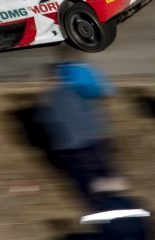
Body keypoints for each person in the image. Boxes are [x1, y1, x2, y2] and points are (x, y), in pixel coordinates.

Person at [37, 54, 116, 205]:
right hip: (90, 141)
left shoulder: (52, 97)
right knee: (101, 175)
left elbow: (49, 122)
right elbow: (92, 110)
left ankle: (103, 202)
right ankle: (110, 200)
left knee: (88, 180)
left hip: (74, 146)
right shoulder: (72, 91)